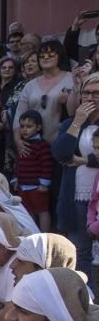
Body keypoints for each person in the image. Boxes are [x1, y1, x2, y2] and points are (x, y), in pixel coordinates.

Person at [53, 73, 99, 276]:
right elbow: (61, 153)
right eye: (86, 93)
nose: (90, 98)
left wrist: (84, 161)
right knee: (80, 251)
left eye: (96, 93)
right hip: (77, 196)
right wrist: (77, 123)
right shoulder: (71, 123)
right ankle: (85, 299)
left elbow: (73, 159)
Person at [13, 109, 54, 231]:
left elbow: (47, 165)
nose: (24, 129)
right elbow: (18, 163)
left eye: (29, 126)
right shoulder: (22, 145)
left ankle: (44, 236)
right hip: (23, 185)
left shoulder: (42, 145)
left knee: (42, 211)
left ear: (38, 127)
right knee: (28, 212)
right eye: (22, 126)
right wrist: (16, 179)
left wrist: (44, 183)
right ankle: (32, 234)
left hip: (37, 187)